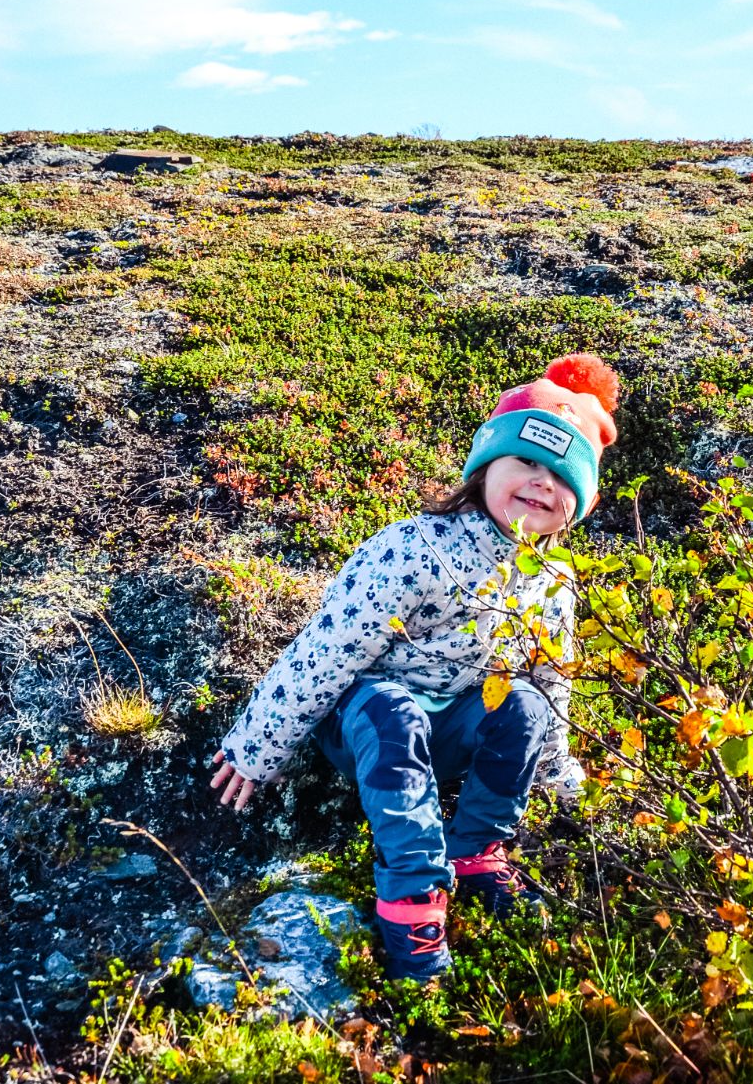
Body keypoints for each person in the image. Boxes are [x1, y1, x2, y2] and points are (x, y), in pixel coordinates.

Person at [210, 354, 619, 981]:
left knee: (527, 701)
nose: (542, 483)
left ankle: (476, 849)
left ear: (580, 503)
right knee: (393, 711)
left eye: (563, 476)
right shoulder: (413, 548)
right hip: (367, 724)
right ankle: (413, 896)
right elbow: (326, 651)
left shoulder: (554, 581)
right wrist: (259, 747)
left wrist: (558, 772)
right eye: (526, 461)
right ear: (484, 468)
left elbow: (550, 678)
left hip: (450, 731)